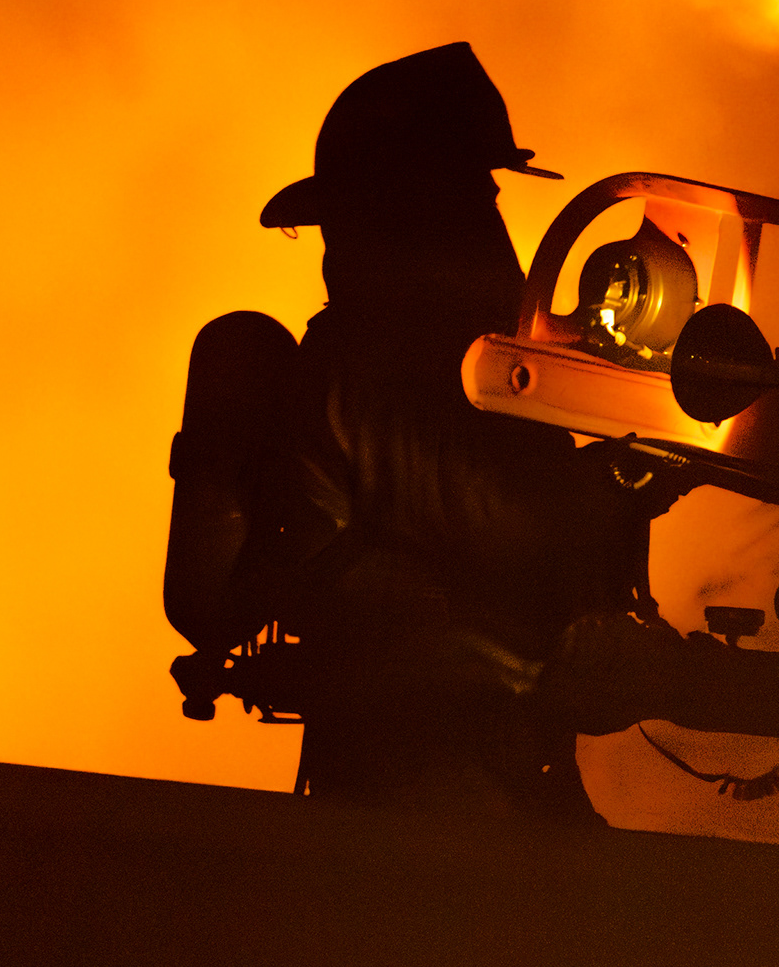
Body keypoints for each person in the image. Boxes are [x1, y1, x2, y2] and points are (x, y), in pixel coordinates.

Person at [252, 44, 649, 819]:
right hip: (424, 779)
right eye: (478, 194)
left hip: (487, 756)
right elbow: (509, 522)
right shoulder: (371, 371)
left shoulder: (463, 373)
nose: (491, 220)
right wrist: (622, 483)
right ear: (422, 211)